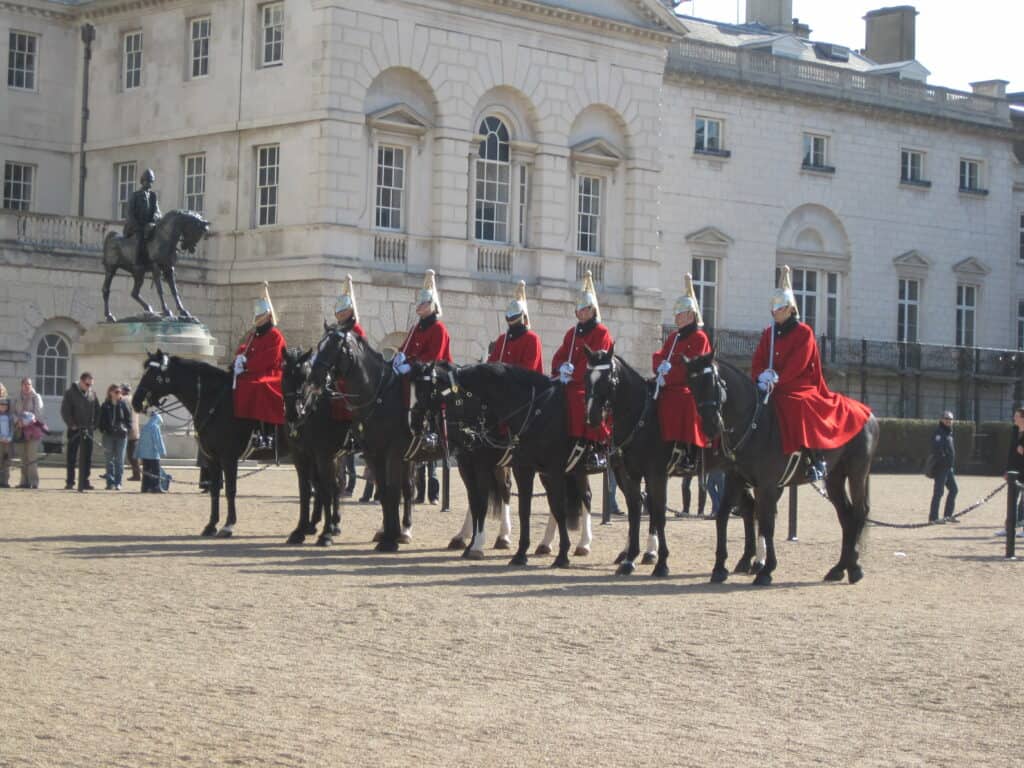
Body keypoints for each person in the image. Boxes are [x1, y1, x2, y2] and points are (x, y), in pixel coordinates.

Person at [751, 265, 872, 481]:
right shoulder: (769, 333)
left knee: (800, 404)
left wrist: (778, 379)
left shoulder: (804, 332)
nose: (774, 312)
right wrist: (761, 376)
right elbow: (759, 358)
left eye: (779, 309)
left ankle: (815, 458)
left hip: (798, 385)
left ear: (789, 309)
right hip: (771, 384)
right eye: (773, 309)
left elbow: (799, 363)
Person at [394, 269, 452, 503]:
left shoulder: (438, 328)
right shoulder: (416, 328)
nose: (420, 306)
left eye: (424, 302)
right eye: (419, 302)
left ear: (432, 305)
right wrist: (400, 359)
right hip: (416, 375)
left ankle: (434, 490)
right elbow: (406, 349)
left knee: (428, 401)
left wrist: (413, 366)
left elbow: (435, 358)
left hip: (434, 378)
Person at [551, 269, 613, 473]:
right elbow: (559, 355)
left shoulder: (601, 332)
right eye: (580, 310)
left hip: (588, 383)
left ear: (593, 310)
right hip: (566, 382)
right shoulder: (572, 332)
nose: (582, 313)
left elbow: (597, 359)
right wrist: (561, 368)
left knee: (579, 401)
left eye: (586, 309)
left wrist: (575, 374)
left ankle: (594, 446)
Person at [653, 273, 711, 475]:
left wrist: (668, 375)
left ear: (691, 316)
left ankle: (688, 451)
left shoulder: (699, 337)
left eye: (680, 314)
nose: (676, 317)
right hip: (668, 384)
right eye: (676, 314)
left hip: (690, 387)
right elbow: (659, 355)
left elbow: (692, 367)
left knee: (685, 401)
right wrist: (659, 368)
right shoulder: (674, 337)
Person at [233, 282, 287, 449]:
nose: (257, 320)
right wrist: (240, 358)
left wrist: (248, 364)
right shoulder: (254, 334)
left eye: (260, 317)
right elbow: (245, 348)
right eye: (256, 317)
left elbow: (270, 357)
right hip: (253, 371)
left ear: (268, 316)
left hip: (272, 372)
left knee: (260, 386)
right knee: (237, 384)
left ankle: (265, 432)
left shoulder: (275, 335)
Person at [486, 280, 544, 373]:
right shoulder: (502, 339)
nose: (511, 324)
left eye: (514, 319)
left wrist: (504, 369)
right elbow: (490, 364)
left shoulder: (532, 339)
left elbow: (528, 370)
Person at [61, 371, 99, 491]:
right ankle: (70, 481)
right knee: (71, 456)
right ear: (82, 382)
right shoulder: (70, 393)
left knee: (87, 457)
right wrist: (71, 424)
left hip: (88, 431)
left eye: (91, 384)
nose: (90, 387)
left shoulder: (92, 394)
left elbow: (98, 410)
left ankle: (85, 481)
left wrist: (94, 425)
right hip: (75, 430)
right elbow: (65, 411)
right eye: (88, 384)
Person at [123, 168, 161, 268]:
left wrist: (153, 221)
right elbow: (129, 214)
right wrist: (138, 227)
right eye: (147, 181)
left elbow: (157, 212)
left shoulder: (153, 196)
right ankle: (137, 262)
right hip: (135, 228)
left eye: (151, 181)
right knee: (139, 239)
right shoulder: (135, 195)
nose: (149, 184)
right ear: (142, 181)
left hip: (149, 227)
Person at [98, 383, 132, 490]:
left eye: (120, 392)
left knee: (119, 460)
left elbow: (128, 419)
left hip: (121, 436)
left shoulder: (123, 404)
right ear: (110, 393)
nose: (119, 394)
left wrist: (127, 429)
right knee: (109, 460)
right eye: (116, 392)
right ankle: (110, 482)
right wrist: (103, 429)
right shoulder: (105, 405)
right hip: (108, 435)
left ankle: (118, 482)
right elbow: (101, 419)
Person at [12, 377, 44, 489]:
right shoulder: (16, 398)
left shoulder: (36, 397)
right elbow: (12, 412)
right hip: (19, 430)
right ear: (21, 385)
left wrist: (27, 421)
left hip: (32, 431)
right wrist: (18, 421)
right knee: (23, 457)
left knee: (32, 457)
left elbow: (38, 413)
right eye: (25, 384)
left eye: (29, 384)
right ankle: (24, 482)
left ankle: (34, 482)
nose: (27, 386)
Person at [928, 410, 959, 523]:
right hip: (941, 468)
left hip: (948, 468)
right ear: (941, 420)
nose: (948, 421)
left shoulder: (948, 432)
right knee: (938, 493)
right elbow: (937, 450)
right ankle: (933, 518)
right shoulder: (939, 432)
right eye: (946, 419)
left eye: (950, 419)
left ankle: (948, 515)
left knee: (954, 490)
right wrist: (944, 460)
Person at [1001, 407, 1024, 536]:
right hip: (1014, 471)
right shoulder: (1015, 431)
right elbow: (1011, 452)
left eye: (1016, 416)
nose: (1014, 418)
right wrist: (1007, 470)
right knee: (1011, 500)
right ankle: (1009, 528)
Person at [137, 410, 167, 493]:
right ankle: (155, 487)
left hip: (145, 454)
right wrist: (162, 451)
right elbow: (158, 440)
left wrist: (137, 453)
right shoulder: (155, 427)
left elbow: (140, 441)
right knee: (155, 471)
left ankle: (145, 487)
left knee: (146, 471)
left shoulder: (145, 427)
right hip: (153, 454)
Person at [121, 384, 141, 481]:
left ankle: (137, 474)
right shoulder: (134, 399)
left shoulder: (123, 399)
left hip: (127, 430)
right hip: (135, 430)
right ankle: (136, 474)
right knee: (133, 454)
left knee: (129, 454)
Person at [0, 396, 12, 488]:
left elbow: (12, 429)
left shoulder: (10, 417)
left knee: (6, 462)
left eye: (5, 405)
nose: (3, 406)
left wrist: (9, 437)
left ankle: (5, 481)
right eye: (1, 405)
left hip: (7, 442)